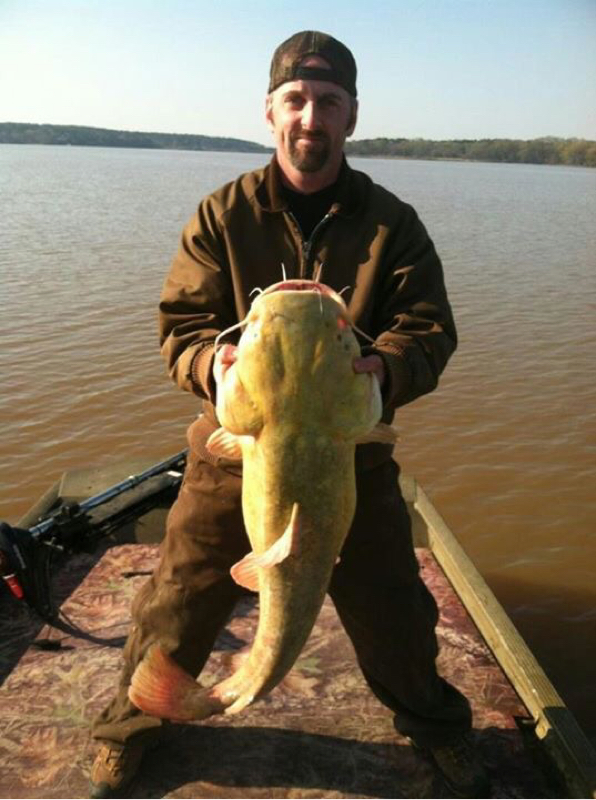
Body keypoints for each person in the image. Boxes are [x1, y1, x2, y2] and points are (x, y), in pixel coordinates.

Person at [89, 30, 488, 798]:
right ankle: (129, 725)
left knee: (396, 614)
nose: (312, 117)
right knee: (177, 598)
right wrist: (215, 364)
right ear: (270, 113)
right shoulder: (222, 214)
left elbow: (430, 329)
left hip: (350, 458)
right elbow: (181, 328)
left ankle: (437, 730)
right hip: (235, 450)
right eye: (296, 101)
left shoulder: (391, 223)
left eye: (328, 103)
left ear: (352, 116)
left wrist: (389, 366)